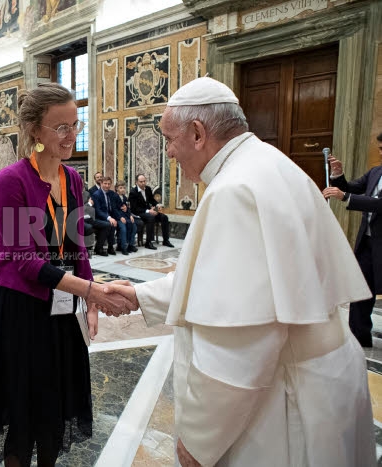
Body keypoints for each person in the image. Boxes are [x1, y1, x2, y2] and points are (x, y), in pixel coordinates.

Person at [103, 77, 375, 467]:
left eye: (169, 139)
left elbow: (238, 346)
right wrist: (139, 295)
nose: (168, 153)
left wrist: (198, 441)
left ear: (197, 133)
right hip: (322, 379)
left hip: (281, 405)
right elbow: (223, 282)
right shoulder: (270, 163)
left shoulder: (234, 189)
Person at [0, 83, 133, 466]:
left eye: (75, 123)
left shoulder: (73, 179)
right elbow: (23, 260)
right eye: (61, 127)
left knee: (53, 408)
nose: (71, 135)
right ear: (35, 130)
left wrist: (89, 302)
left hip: (63, 307)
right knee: (23, 414)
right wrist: (92, 290)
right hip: (22, 308)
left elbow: (78, 246)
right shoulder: (12, 180)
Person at [323, 131, 382, 347]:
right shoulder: (376, 172)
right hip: (368, 242)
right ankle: (359, 338)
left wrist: (346, 197)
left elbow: (378, 204)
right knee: (362, 291)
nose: (380, 153)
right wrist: (338, 176)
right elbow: (351, 188)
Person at [91, 177, 117, 255]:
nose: (107, 185)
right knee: (108, 224)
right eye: (105, 183)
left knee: (113, 223)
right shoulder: (96, 194)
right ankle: (99, 248)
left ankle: (110, 247)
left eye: (109, 184)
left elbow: (115, 206)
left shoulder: (111, 193)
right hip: (97, 218)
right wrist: (109, 218)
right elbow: (98, 211)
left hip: (107, 216)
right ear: (101, 184)